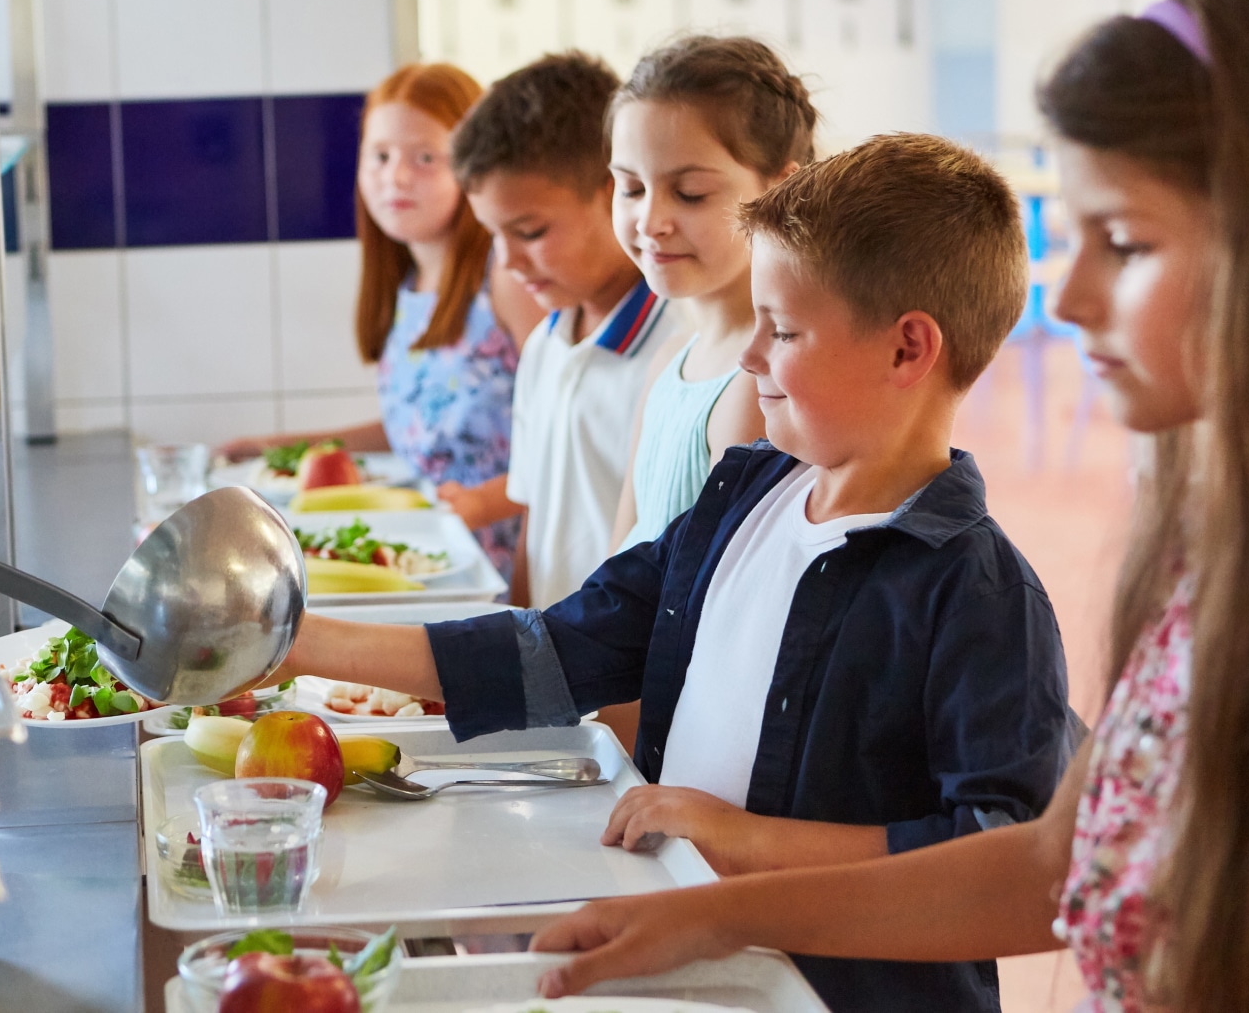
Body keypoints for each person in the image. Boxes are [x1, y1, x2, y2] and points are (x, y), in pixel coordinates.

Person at [527, 0, 1249, 1013]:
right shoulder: (1227, 551)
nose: (1066, 294)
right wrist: (715, 910)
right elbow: (1048, 865)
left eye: (1126, 241)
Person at [280, 133, 1077, 1013]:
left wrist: (746, 842)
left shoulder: (979, 596)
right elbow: (558, 649)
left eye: (782, 330)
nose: (749, 359)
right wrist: (302, 644)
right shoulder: (742, 497)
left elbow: (1000, 856)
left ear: (906, 350)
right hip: (704, 976)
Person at [221, 63, 542, 576]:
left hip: (496, 574)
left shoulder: (507, 277)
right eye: (381, 156)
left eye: (425, 157)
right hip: (429, 559)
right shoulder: (408, 284)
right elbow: (416, 431)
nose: (396, 176)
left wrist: (481, 506)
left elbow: (569, 443)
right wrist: (279, 449)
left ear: (475, 163)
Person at [451, 51, 680, 607]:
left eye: (529, 231)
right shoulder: (544, 346)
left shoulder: (679, 348)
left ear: (615, 190)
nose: (507, 261)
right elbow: (535, 519)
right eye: (493, 235)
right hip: (556, 677)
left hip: (630, 683)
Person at [607, 36, 814, 554]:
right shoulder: (670, 361)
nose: (651, 222)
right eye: (631, 189)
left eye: (690, 193)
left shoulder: (760, 387)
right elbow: (615, 566)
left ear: (779, 191)